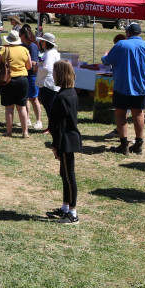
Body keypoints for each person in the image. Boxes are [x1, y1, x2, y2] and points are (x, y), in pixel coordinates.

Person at [100, 22, 145, 155]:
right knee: (138, 113)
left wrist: (104, 56)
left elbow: (107, 60)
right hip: (140, 87)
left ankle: (124, 144)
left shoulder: (121, 44)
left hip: (122, 86)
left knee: (120, 114)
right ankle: (138, 144)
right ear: (140, 33)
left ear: (128, 33)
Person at [47, 60, 82, 223]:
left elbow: (60, 126)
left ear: (60, 74)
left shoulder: (62, 97)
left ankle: (73, 213)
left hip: (66, 141)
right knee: (64, 174)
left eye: (54, 72)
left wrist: (56, 146)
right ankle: (65, 207)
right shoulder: (70, 92)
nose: (52, 75)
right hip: (68, 139)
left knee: (69, 176)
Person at [0, 30, 32, 138]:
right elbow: (29, 66)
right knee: (22, 107)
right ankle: (25, 132)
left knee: (9, 108)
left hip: (8, 80)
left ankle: (9, 131)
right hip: (22, 80)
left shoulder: (4, 50)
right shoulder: (25, 50)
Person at [19, 25, 43, 130]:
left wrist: (22, 63)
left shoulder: (32, 46)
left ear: (24, 35)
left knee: (34, 98)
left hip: (32, 75)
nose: (19, 37)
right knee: (26, 99)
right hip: (25, 75)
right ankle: (27, 119)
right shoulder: (23, 45)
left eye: (20, 35)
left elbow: (33, 62)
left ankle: (39, 121)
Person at [36, 32, 61, 120]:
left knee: (49, 105)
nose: (41, 43)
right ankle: (51, 126)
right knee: (49, 105)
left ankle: (52, 126)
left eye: (42, 41)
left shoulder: (50, 54)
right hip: (49, 83)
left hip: (48, 84)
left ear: (46, 43)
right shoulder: (50, 52)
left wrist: (37, 69)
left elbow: (48, 69)